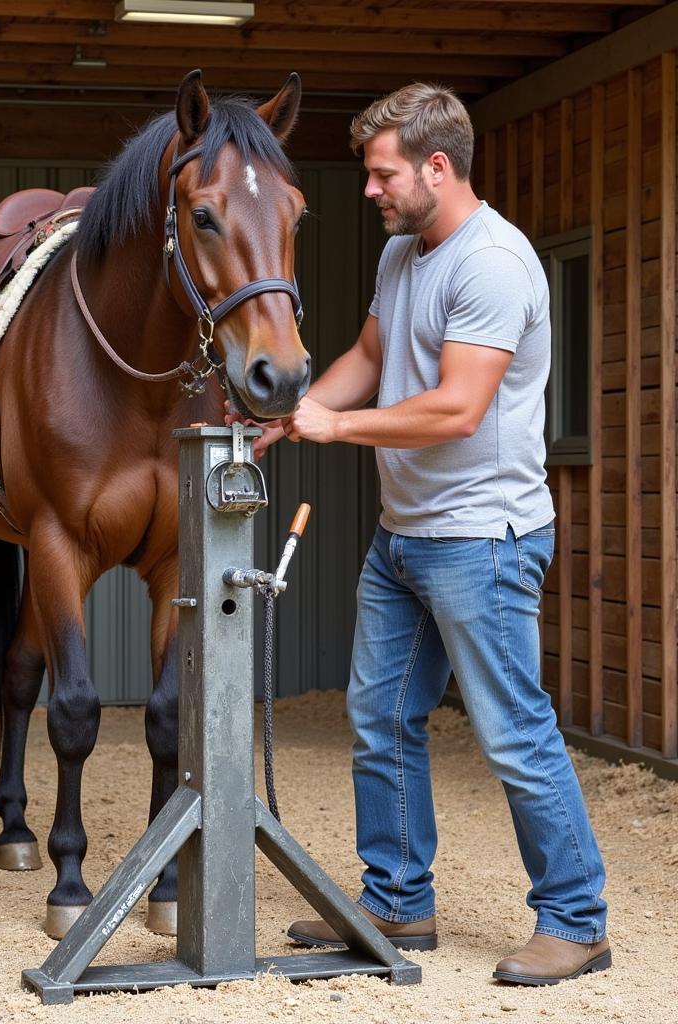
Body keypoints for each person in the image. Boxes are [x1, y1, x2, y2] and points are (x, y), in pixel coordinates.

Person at [246, 83, 610, 985]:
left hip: (482, 539)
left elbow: (455, 408)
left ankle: (577, 918)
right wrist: (294, 412)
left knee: (514, 734)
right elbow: (371, 359)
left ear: (436, 168)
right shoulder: (406, 253)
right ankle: (399, 902)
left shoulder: (493, 264)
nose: (368, 190)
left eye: (382, 174)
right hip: (404, 534)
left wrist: (339, 430)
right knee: (379, 719)